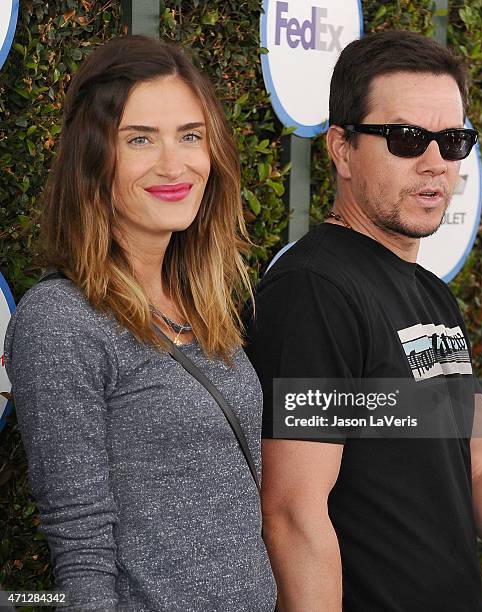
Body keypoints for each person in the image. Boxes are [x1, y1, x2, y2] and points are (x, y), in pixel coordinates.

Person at [246, 30, 482, 611]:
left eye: (452, 141)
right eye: (405, 139)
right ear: (341, 147)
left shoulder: (432, 294)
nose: (434, 164)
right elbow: (294, 512)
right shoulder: (314, 290)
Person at [5, 35, 276, 611]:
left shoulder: (206, 310)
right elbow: (81, 550)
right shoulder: (63, 321)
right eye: (139, 140)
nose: (174, 165)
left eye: (190, 136)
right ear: (93, 156)